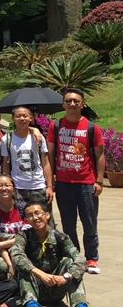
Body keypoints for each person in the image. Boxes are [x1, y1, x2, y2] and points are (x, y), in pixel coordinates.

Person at [47, 88, 105, 274]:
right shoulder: (56, 126)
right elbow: (50, 154)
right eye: (68, 101)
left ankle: (92, 258)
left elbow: (100, 156)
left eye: (76, 101)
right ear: (63, 104)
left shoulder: (91, 127)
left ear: (82, 104)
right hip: (64, 184)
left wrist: (99, 181)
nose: (72, 104)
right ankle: (74, 256)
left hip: (86, 183)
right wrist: (51, 179)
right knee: (68, 225)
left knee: (90, 223)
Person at [11, 202, 98, 307]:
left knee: (70, 263)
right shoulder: (23, 236)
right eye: (30, 215)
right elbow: (16, 254)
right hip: (33, 286)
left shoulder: (60, 237)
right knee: (23, 268)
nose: (35, 218)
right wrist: (41, 274)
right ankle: (31, 305)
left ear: (47, 215)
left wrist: (66, 277)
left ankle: (78, 306)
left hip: (55, 286)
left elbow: (80, 260)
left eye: (37, 213)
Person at [2, 106, 53, 209]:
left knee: (42, 217)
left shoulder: (38, 137)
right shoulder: (6, 139)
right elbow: (5, 164)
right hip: (18, 187)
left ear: (30, 118)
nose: (22, 119)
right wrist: (7, 185)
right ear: (13, 118)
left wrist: (49, 186)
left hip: (38, 185)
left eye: (25, 116)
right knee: (20, 217)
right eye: (18, 116)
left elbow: (45, 162)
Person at [0, 175, 27, 278]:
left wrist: (2, 244)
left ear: (13, 188)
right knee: (2, 266)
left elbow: (27, 237)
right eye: (0, 186)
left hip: (24, 249)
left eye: (7, 185)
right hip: (3, 252)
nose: (4, 188)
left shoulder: (24, 208)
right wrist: (9, 263)